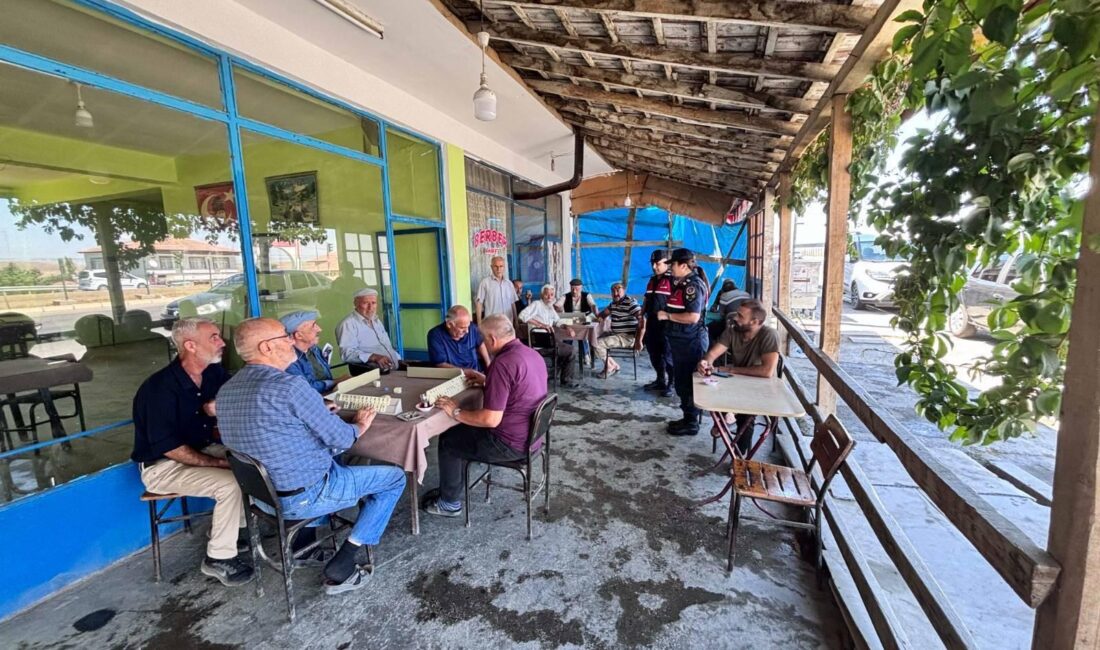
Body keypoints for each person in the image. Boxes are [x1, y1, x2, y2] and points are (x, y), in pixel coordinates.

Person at [217, 318, 407, 595]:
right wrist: (360, 425)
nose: (291, 341)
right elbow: (341, 438)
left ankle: (304, 548)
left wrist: (314, 419)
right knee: (394, 478)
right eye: (285, 337)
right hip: (306, 495)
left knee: (329, 461)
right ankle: (344, 562)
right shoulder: (290, 386)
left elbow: (269, 434)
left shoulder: (226, 391)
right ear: (266, 347)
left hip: (263, 499)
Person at [130, 317, 253, 587]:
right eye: (214, 338)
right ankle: (218, 559)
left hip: (201, 449)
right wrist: (219, 463)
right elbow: (170, 449)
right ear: (190, 345)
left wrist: (219, 404)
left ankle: (232, 531)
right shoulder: (158, 389)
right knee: (232, 482)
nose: (222, 342)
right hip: (163, 466)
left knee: (254, 462)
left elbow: (240, 393)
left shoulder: (212, 373)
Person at [420, 314, 548, 516]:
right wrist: (488, 381)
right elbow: (519, 390)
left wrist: (455, 410)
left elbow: (490, 420)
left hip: (510, 444)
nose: (482, 344)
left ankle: (449, 502)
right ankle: (451, 487)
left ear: (492, 339)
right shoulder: (532, 354)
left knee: (448, 439)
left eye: (482, 339)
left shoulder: (503, 363)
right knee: (462, 430)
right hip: (533, 438)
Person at [697, 300, 781, 454]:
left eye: (740, 316)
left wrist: (731, 370)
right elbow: (712, 354)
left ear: (755, 322)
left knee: (746, 418)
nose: (735, 318)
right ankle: (725, 418)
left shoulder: (769, 335)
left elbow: (766, 371)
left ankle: (739, 458)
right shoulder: (732, 331)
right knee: (711, 396)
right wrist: (705, 363)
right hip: (736, 382)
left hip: (760, 387)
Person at [658, 248, 710, 436]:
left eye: (672, 264)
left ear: (683, 265)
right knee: (682, 381)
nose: (670, 268)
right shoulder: (682, 283)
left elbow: (693, 317)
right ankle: (688, 417)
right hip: (681, 342)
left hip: (690, 342)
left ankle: (691, 423)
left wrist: (667, 315)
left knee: (688, 383)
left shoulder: (692, 286)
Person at [518, 284, 578, 388]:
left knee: (564, 348)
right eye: (547, 295)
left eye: (552, 295)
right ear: (542, 295)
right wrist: (541, 325)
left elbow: (557, 321)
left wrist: (567, 327)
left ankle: (552, 375)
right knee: (572, 350)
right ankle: (565, 381)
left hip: (550, 341)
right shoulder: (537, 304)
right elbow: (522, 316)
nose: (550, 297)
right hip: (541, 344)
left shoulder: (550, 307)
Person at [336, 288, 401, 371]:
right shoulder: (347, 324)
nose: (370, 308)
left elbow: (386, 346)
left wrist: (398, 359)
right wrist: (373, 357)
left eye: (373, 303)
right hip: (372, 374)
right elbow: (347, 354)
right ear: (355, 304)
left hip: (392, 369)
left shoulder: (376, 320)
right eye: (365, 303)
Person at [640, 250, 674, 397]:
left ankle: (671, 384)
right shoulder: (652, 281)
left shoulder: (672, 280)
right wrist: (641, 315)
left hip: (667, 325)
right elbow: (646, 300)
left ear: (667, 262)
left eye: (658, 263)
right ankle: (660, 379)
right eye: (652, 263)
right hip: (652, 323)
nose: (654, 266)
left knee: (668, 356)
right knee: (654, 354)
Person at [281, 310, 340, 393]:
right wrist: (337, 381)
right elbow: (306, 389)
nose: (319, 329)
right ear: (298, 335)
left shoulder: (314, 349)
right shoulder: (288, 360)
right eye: (313, 325)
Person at [593, 282, 642, 379]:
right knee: (593, 340)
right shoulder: (613, 304)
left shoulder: (630, 302)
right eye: (613, 291)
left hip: (627, 337)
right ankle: (613, 365)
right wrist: (598, 314)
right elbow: (603, 314)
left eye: (618, 290)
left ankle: (610, 367)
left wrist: (639, 340)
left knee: (597, 343)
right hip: (617, 335)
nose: (615, 293)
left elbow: (641, 319)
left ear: (624, 291)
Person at [427, 305, 491, 375]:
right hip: (452, 375)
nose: (467, 331)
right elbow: (440, 364)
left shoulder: (472, 328)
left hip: (476, 372)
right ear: (449, 324)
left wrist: (489, 364)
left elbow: (480, 344)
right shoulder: (435, 335)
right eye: (462, 328)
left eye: (468, 327)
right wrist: (466, 372)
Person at [708, 279, 751, 344]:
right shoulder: (746, 294)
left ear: (723, 289)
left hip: (730, 325)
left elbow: (721, 314)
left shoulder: (724, 296)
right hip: (746, 324)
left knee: (709, 329)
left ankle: (715, 347)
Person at [475, 256, 517, 324]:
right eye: (496, 266)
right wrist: (479, 323)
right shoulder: (485, 283)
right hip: (492, 323)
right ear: (491, 267)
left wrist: (516, 321)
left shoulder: (509, 284)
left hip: (508, 322)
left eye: (501, 266)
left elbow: (512, 303)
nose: (498, 269)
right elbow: (479, 303)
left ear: (504, 267)